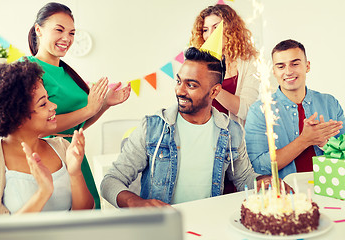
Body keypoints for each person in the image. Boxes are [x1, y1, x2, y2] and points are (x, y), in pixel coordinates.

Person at [100, 47, 288, 208]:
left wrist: (264, 182)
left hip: (207, 225)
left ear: (214, 91)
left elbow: (244, 177)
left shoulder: (231, 131)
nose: (180, 90)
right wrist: (136, 203)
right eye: (179, 81)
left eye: (191, 85)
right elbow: (110, 181)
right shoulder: (152, 127)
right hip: (163, 227)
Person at [26, 2, 131, 209]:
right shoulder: (27, 69)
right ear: (39, 29)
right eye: (59, 30)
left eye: (72, 33)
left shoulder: (67, 72)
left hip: (75, 156)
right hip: (47, 160)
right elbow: (35, 127)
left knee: (88, 216)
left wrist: (104, 104)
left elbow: (77, 126)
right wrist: (89, 109)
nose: (67, 38)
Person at [0, 60, 94, 214]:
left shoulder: (62, 146)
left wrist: (75, 173)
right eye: (43, 104)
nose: (53, 106)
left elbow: (85, 212)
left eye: (48, 99)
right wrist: (43, 191)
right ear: (17, 117)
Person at [245, 39, 345, 179]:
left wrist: (325, 144)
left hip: (329, 189)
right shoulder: (259, 111)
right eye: (281, 66)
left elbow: (344, 153)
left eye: (295, 64)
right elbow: (259, 166)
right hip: (288, 195)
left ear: (307, 66)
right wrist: (305, 140)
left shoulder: (330, 104)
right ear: (274, 71)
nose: (288, 71)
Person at [190, 4, 259, 127]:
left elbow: (248, 110)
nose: (210, 34)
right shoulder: (196, 63)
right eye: (205, 30)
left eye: (216, 28)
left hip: (234, 138)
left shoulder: (249, 62)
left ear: (231, 29)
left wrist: (210, 84)